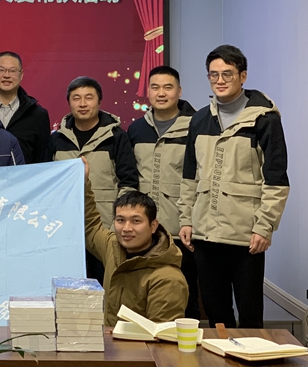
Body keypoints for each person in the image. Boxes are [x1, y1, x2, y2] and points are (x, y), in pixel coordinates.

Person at [178, 45, 289, 328]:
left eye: (227, 73)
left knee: (249, 315)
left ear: (243, 76)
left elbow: (276, 179)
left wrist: (264, 226)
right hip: (205, 233)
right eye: (213, 75)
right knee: (215, 311)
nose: (220, 80)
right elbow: (190, 175)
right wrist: (186, 219)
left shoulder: (265, 119)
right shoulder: (199, 119)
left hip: (245, 236)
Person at [47, 76, 138, 282]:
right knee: (68, 286)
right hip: (65, 228)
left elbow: (128, 183)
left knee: (105, 284)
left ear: (99, 101)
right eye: (76, 98)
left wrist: (119, 222)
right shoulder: (56, 139)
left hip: (104, 228)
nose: (82, 103)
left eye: (89, 97)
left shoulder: (116, 137)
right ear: (69, 102)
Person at [127, 66, 199, 319]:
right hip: (145, 231)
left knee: (186, 294)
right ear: (147, 92)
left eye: (168, 87)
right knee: (143, 295)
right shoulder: (136, 129)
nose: (161, 93)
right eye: (155, 87)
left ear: (179, 91)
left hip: (181, 228)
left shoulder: (197, 126)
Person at [84, 160, 188, 327]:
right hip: (109, 341)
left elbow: (160, 336)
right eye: (120, 220)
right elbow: (91, 226)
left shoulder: (168, 278)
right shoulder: (113, 246)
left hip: (137, 345)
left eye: (136, 221)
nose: (126, 228)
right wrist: (83, 184)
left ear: (153, 226)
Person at [0, 51, 51, 164]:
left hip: (25, 176)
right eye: (1, 70)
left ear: (21, 74)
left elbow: (42, 161)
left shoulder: (37, 115)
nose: (7, 75)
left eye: (12, 71)